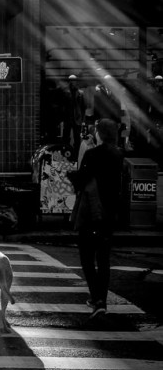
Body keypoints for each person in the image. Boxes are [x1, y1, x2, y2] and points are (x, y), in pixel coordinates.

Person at [66, 119, 123, 320]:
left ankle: (96, 299)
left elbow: (81, 179)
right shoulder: (117, 155)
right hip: (108, 214)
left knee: (87, 258)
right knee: (104, 258)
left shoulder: (92, 154)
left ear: (99, 133)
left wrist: (70, 173)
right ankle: (102, 300)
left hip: (90, 213)